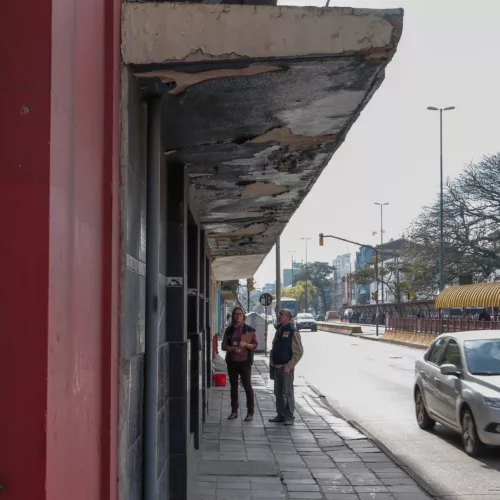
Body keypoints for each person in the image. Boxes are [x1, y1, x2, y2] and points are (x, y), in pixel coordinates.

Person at [221, 306, 258, 421]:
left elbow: (255, 345)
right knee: (233, 387)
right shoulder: (229, 330)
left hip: (245, 362)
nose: (238, 316)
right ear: (233, 316)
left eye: (240, 314)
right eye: (236, 314)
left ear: (243, 316)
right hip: (232, 362)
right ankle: (234, 411)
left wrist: (246, 345)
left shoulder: (249, 330)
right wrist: (232, 349)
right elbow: (223, 346)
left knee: (247, 386)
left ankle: (250, 412)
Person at [269, 309, 304, 425]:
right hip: (277, 366)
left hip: (286, 368)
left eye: (282, 314)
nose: (279, 316)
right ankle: (281, 414)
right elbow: (274, 346)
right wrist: (271, 359)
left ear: (288, 317)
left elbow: (298, 352)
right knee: (277, 392)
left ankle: (289, 416)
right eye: (279, 314)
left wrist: (290, 365)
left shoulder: (293, 332)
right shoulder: (279, 330)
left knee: (288, 393)